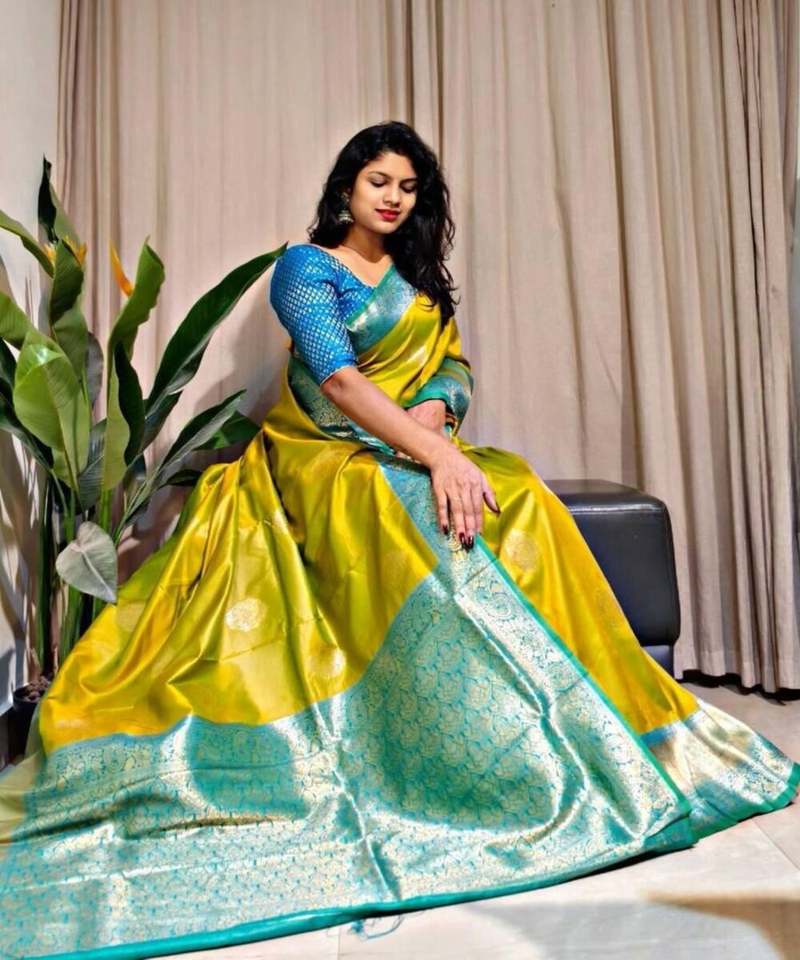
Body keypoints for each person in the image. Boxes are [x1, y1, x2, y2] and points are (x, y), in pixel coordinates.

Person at [0, 120, 797, 960]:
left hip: (411, 442)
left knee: (520, 500)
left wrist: (439, 415)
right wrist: (435, 456)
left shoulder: (415, 279)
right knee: (407, 507)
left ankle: (567, 729)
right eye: (378, 180)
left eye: (409, 187)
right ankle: (465, 755)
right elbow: (340, 381)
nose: (393, 197)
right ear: (346, 186)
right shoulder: (307, 268)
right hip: (320, 454)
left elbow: (453, 367)